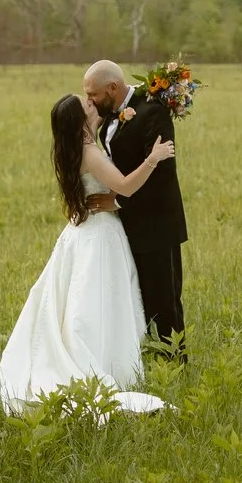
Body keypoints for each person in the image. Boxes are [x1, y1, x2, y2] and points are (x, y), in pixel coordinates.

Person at [0, 90, 175, 414]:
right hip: (100, 234)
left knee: (89, 300)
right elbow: (126, 186)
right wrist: (154, 157)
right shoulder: (89, 152)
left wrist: (125, 115)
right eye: (86, 104)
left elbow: (104, 122)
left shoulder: (75, 147)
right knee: (98, 302)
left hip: (83, 232)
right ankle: (104, 363)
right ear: (80, 121)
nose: (91, 103)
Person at [84, 58, 187, 355]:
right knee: (139, 299)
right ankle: (147, 360)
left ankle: (176, 365)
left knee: (163, 301)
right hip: (126, 226)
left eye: (93, 94)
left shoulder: (153, 112)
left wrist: (115, 201)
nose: (89, 100)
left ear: (113, 88)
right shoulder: (108, 115)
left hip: (156, 225)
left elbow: (161, 174)